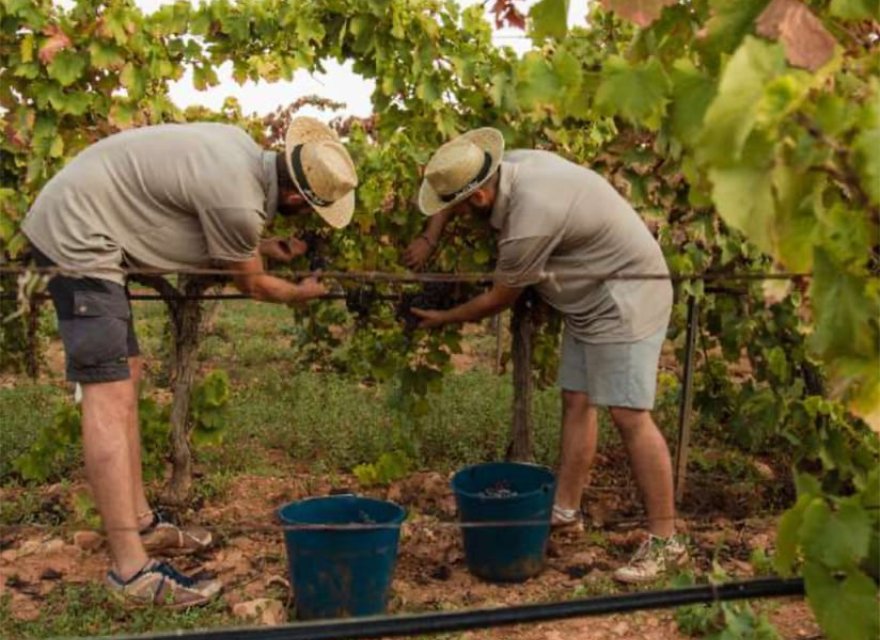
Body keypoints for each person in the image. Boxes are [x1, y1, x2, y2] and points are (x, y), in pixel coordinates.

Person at [21, 117, 358, 606]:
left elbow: (208, 222)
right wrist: (301, 293)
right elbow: (253, 284)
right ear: (294, 199)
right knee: (108, 395)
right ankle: (130, 572)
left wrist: (259, 248)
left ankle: (141, 524)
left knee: (126, 374)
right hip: (76, 236)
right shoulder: (240, 203)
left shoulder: (239, 150)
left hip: (88, 223)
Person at [403, 129, 687, 584]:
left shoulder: (530, 217)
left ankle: (666, 541)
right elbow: (451, 191)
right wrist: (429, 236)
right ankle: (565, 510)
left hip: (627, 294)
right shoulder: (504, 164)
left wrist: (443, 318)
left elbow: (499, 299)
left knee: (629, 415)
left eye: (454, 209)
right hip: (589, 296)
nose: (451, 214)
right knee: (576, 400)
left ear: (477, 198)